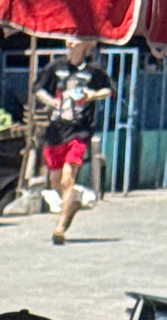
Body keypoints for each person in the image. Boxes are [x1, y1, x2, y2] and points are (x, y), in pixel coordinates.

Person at [35, 37, 113, 247]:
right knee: (55, 182)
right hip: (55, 131)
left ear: (85, 44)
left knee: (67, 179)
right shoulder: (56, 67)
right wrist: (50, 101)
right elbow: (38, 88)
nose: (69, 44)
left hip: (79, 131)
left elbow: (108, 90)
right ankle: (73, 202)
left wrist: (93, 95)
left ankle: (60, 228)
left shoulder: (94, 70)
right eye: (67, 41)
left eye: (74, 40)